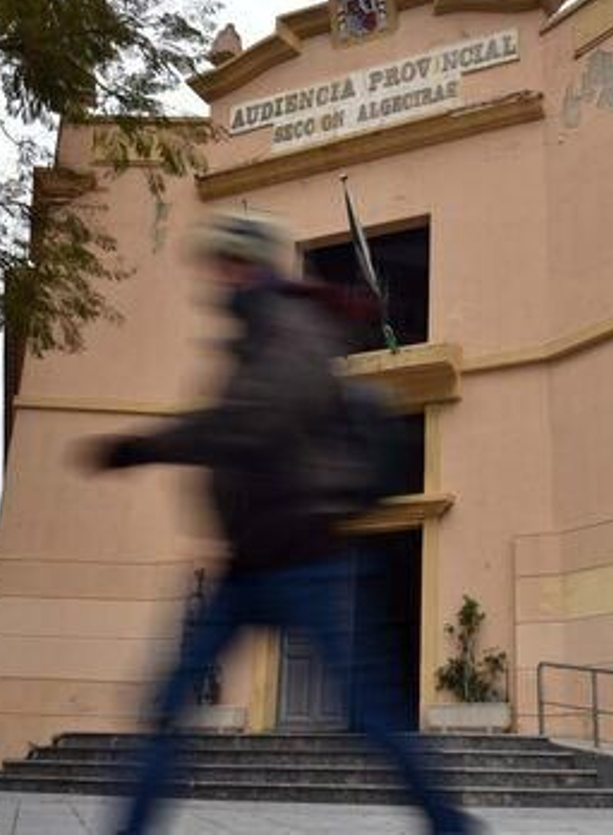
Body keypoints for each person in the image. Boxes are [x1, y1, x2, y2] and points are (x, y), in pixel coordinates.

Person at [85, 214, 473, 834]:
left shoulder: (288, 328)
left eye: (227, 262)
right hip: (248, 564)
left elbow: (252, 423)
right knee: (166, 704)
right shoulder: (255, 332)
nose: (217, 276)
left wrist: (144, 445)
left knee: (370, 713)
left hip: (305, 558)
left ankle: (452, 826)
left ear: (252, 264)